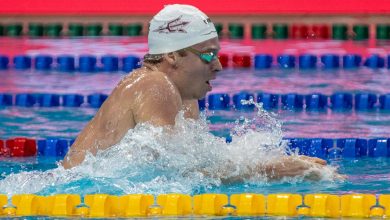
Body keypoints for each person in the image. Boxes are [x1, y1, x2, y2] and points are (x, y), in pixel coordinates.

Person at [62, 4, 333, 181]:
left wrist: (274, 162)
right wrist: (271, 170)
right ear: (172, 56)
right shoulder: (154, 85)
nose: (217, 66)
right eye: (208, 55)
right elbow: (174, 174)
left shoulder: (185, 99)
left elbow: (191, 167)